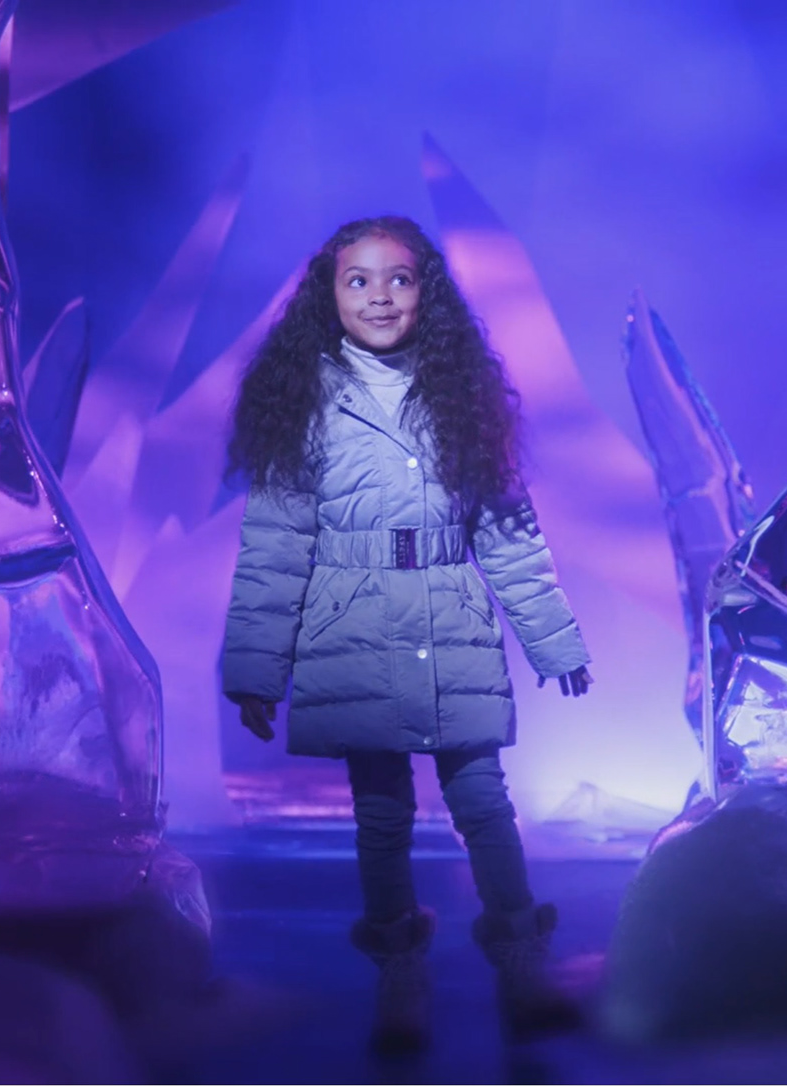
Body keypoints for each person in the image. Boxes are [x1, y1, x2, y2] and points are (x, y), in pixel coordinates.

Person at [220, 215, 594, 1054]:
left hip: (449, 616)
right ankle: (400, 972)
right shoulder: (304, 401)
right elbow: (275, 548)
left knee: (483, 801)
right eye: (358, 280)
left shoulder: (460, 396)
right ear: (328, 295)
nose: (380, 297)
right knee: (381, 813)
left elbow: (509, 537)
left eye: (399, 278)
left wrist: (555, 642)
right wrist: (256, 668)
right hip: (351, 623)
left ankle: (522, 961)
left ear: (429, 291)